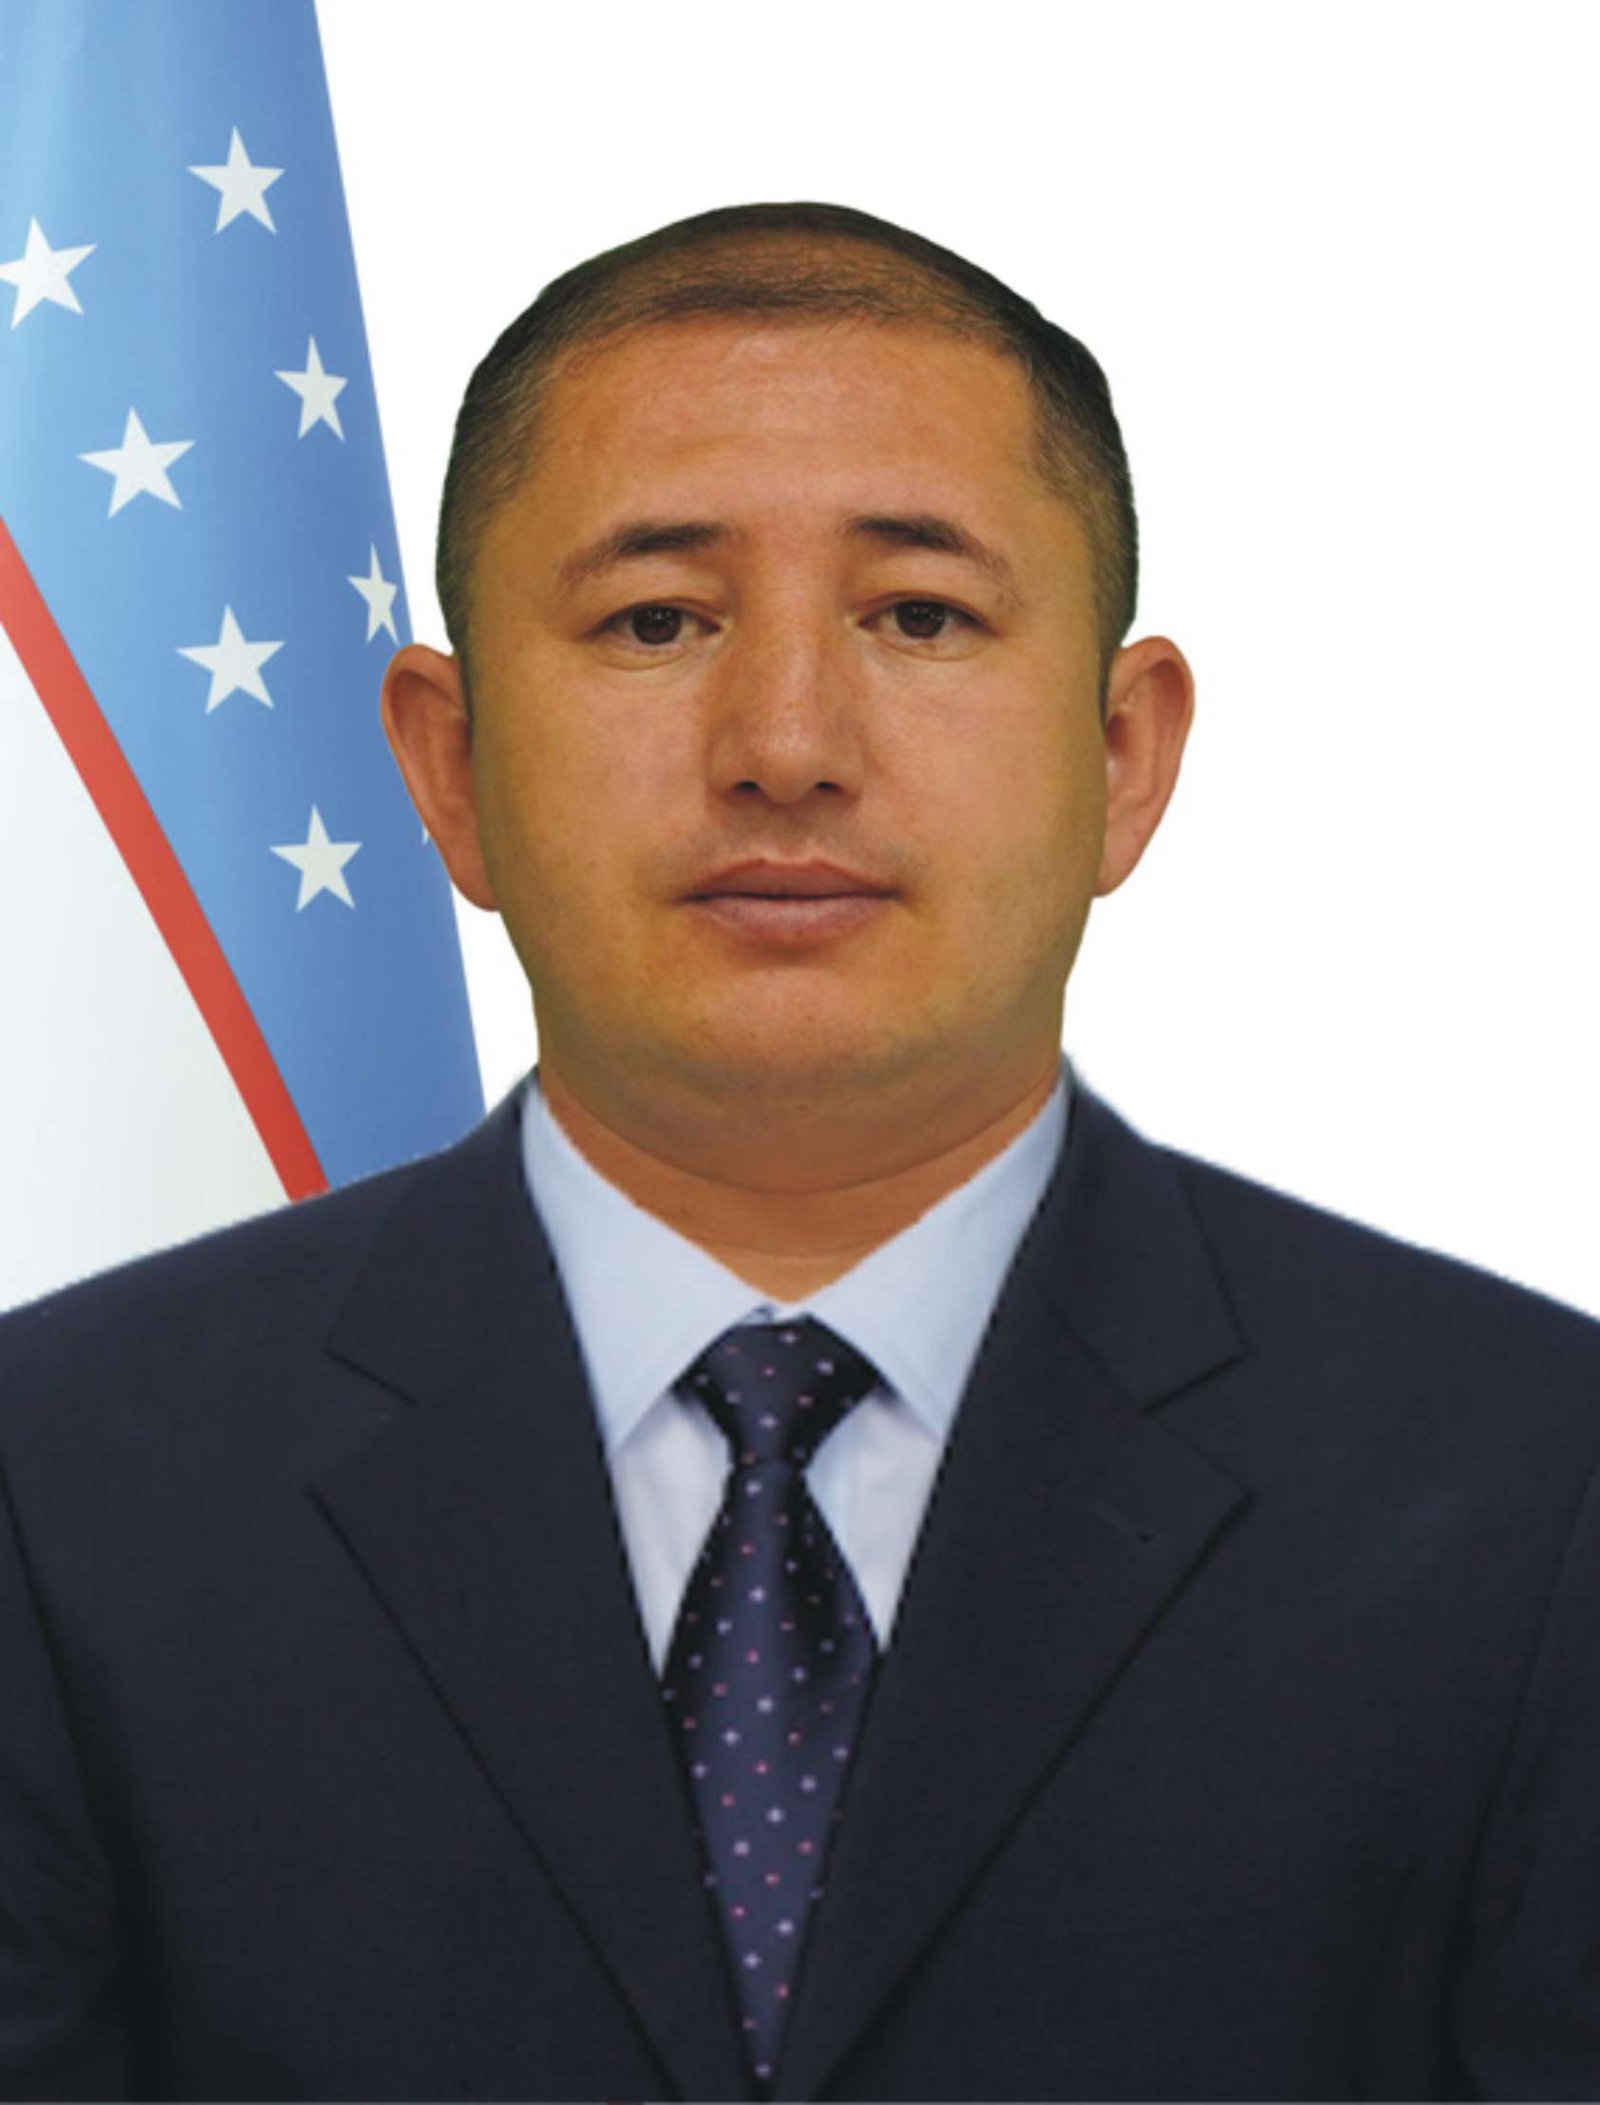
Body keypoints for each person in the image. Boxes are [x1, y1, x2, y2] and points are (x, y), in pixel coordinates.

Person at [1, 199, 1597, 2105]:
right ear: (450, 766)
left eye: (919, 615)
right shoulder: (55, 1482)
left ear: (1123, 754)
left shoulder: (1539, 1487)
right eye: (655, 621)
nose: (784, 744)